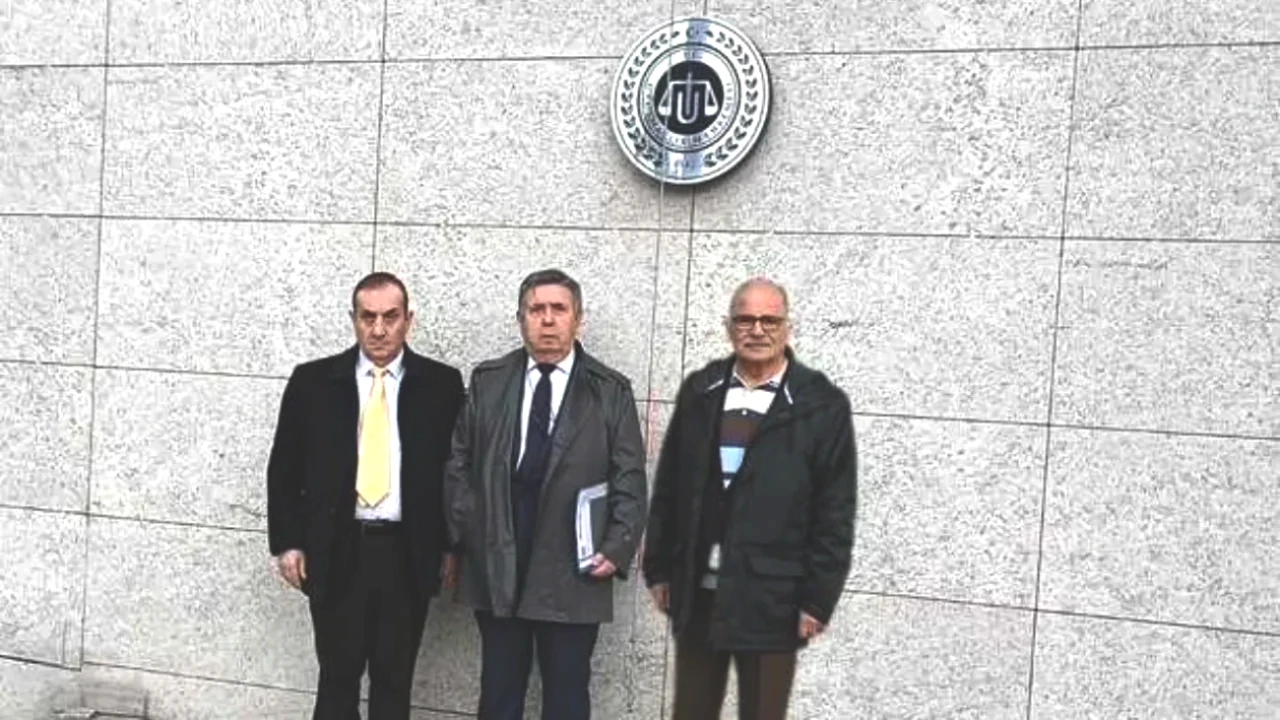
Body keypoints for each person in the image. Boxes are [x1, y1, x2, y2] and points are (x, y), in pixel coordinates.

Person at [642, 277, 857, 720]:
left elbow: (834, 512)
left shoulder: (820, 405)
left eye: (769, 320)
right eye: (745, 319)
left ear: (787, 327)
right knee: (691, 712)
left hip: (774, 600)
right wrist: (660, 568)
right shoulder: (701, 391)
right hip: (698, 594)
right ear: (728, 327)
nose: (757, 330)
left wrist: (817, 600)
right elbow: (669, 486)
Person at [444, 268, 648, 720]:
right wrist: (471, 535)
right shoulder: (490, 381)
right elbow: (458, 464)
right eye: (537, 309)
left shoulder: (610, 390)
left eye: (559, 309)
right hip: (499, 561)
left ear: (578, 319)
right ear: (521, 319)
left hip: (574, 568)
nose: (548, 320)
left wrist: (616, 548)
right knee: (499, 692)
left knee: (567, 696)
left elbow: (630, 478)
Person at [267, 272, 464, 720]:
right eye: (367, 317)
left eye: (390, 317)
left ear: (409, 320)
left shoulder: (442, 385)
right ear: (353, 319)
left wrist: (452, 546)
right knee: (336, 682)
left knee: (394, 683)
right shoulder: (313, 382)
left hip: (406, 553)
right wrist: (289, 542)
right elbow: (284, 468)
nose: (378, 329)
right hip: (337, 550)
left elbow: (456, 473)